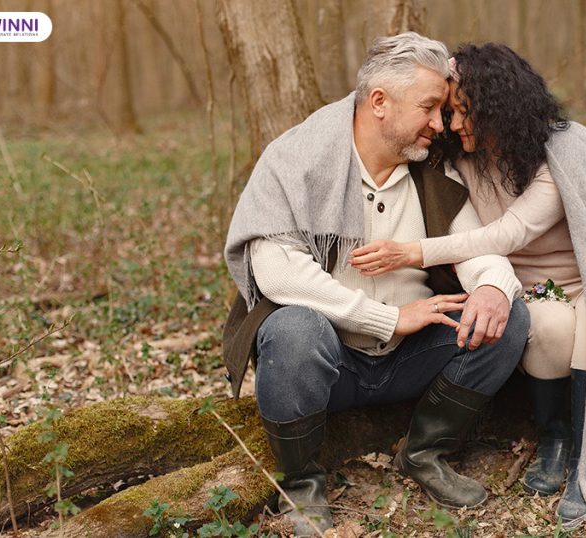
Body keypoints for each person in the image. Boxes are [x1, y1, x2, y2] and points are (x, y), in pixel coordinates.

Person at [222, 34, 530, 536]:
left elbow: (475, 248)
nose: (439, 122)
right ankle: (301, 485)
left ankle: (425, 452)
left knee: (508, 315)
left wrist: (494, 287)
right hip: (330, 361)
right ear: (380, 102)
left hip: (411, 358)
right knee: (291, 329)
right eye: (430, 107)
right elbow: (275, 272)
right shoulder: (296, 160)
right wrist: (387, 318)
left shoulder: (433, 170)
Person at [349, 43, 586, 524]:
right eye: (448, 113)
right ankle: (555, 438)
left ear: (499, 108)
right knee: (549, 330)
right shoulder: (459, 158)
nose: (452, 125)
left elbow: (509, 231)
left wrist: (415, 250)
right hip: (531, 288)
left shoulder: (564, 148)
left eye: (462, 113)